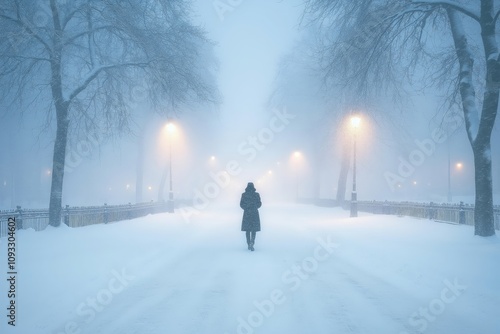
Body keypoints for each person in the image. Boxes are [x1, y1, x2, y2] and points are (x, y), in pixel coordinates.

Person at [240, 182, 262, 251]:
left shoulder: (244, 195)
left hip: (247, 214)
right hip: (254, 213)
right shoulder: (256, 195)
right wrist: (255, 207)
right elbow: (259, 204)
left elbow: (241, 204)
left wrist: (246, 208)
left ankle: (248, 243)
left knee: (247, 230)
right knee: (253, 230)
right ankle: (252, 242)